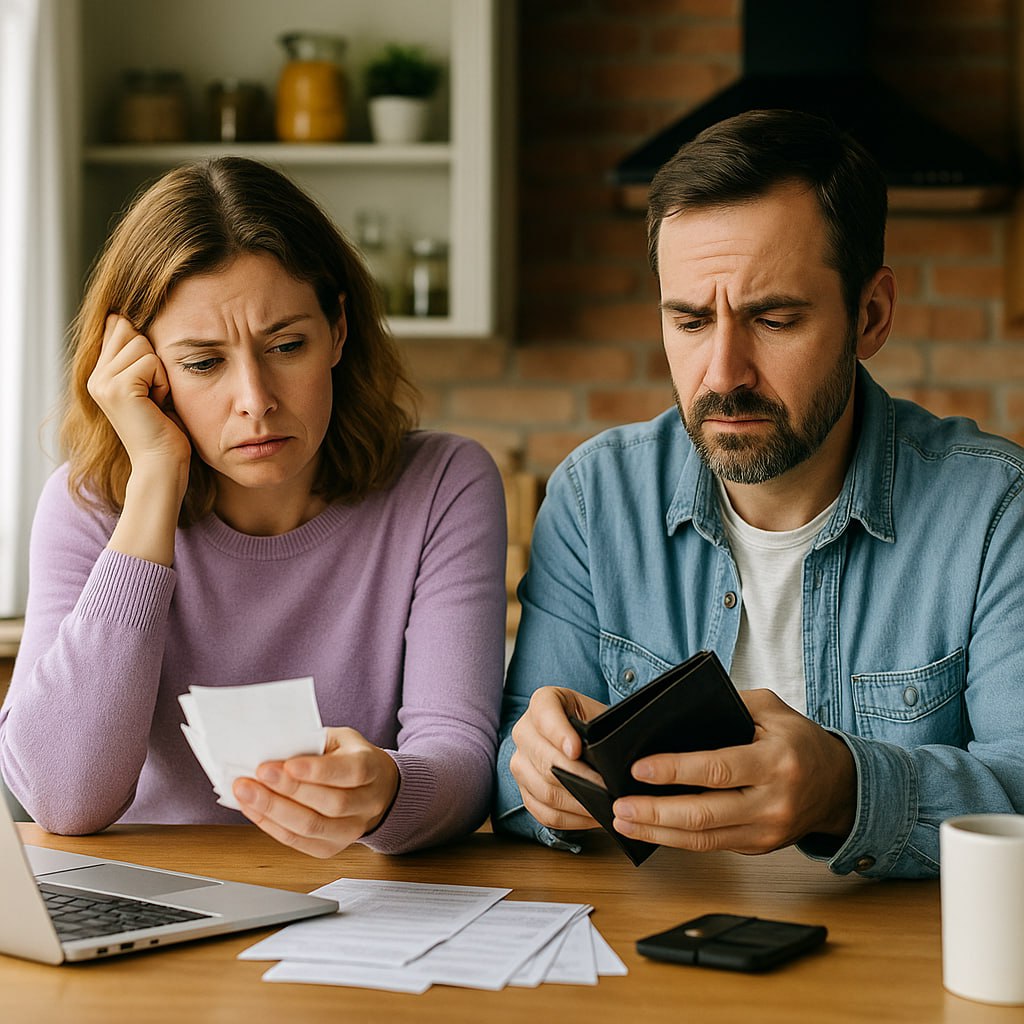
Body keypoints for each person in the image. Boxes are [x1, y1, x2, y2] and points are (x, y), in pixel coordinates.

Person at [494, 109, 1024, 879]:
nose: (722, 373)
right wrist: (536, 772)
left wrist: (845, 789)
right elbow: (507, 775)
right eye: (688, 320)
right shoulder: (593, 497)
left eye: (773, 319)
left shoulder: (994, 508)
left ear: (870, 317)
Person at [0, 156, 507, 858]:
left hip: (362, 904)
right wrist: (154, 479)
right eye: (204, 363)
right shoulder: (88, 508)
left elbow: (462, 760)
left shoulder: (444, 484)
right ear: (144, 373)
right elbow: (62, 797)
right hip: (157, 921)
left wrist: (387, 790)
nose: (255, 399)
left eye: (286, 345)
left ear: (338, 328)